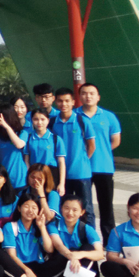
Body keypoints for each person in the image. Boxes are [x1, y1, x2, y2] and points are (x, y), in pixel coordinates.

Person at [77, 83, 121, 244]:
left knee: (106, 206)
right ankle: (88, 240)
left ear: (98, 97)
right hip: (81, 169)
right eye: (84, 93)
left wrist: (102, 151)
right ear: (80, 96)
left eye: (92, 93)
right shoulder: (74, 115)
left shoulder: (109, 116)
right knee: (83, 207)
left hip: (104, 167)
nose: (88, 96)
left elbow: (115, 140)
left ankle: (109, 242)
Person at [0, 192, 63, 277]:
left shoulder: (38, 227)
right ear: (19, 208)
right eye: (26, 206)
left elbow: (49, 249)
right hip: (18, 267)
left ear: (38, 210)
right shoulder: (10, 226)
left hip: (37, 267)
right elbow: (12, 255)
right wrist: (27, 270)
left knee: (62, 258)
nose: (30, 210)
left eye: (34, 207)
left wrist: (42, 227)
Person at [47, 196, 105, 277]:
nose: (70, 213)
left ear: (82, 212)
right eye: (66, 208)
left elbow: (100, 254)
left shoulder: (87, 228)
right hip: (62, 274)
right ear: (61, 209)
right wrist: (72, 256)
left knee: (88, 248)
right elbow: (59, 245)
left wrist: (80, 255)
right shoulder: (53, 225)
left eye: (75, 210)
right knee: (67, 253)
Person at [52, 88, 96, 226]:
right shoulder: (52, 122)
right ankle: (66, 234)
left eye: (67, 101)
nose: (63, 104)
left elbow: (91, 146)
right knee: (64, 208)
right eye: (60, 101)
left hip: (81, 173)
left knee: (86, 208)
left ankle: (89, 236)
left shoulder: (82, 121)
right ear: (56, 102)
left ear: (73, 102)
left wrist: (82, 160)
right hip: (61, 175)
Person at [25, 108, 66, 195]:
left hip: (51, 174)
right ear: (32, 120)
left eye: (42, 119)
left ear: (48, 120)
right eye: (36, 119)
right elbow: (27, 161)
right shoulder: (28, 138)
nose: (39, 122)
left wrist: (62, 184)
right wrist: (29, 177)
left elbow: (61, 162)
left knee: (51, 199)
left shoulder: (56, 139)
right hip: (35, 176)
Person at [0, 105, 29, 190]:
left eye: (0, 116)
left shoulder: (22, 133)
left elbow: (19, 145)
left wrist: (6, 126)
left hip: (20, 179)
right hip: (2, 179)